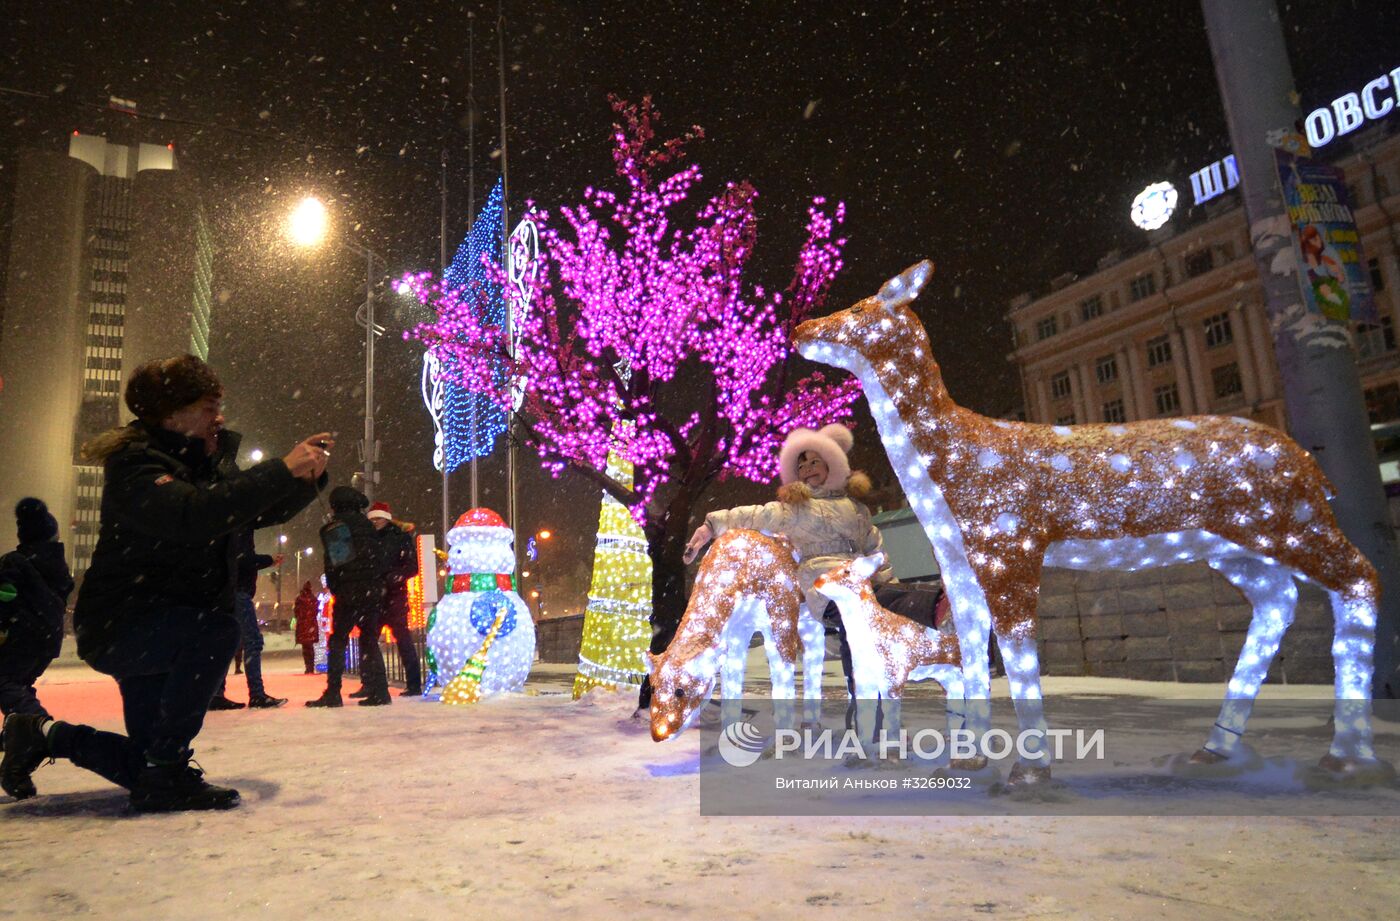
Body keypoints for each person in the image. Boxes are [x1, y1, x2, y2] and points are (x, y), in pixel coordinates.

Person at [0, 355, 331, 812]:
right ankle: (166, 769)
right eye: (208, 406)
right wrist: (281, 469)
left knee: (150, 765)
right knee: (218, 631)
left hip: (163, 625)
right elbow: (192, 514)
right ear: (171, 414)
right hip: (124, 625)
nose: (219, 417)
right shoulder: (136, 464)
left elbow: (252, 509)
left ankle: (40, 734)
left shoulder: (203, 464)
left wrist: (302, 477)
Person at [682, 424, 943, 697]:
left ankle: (940, 611)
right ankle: (864, 700)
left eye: (815, 461)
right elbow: (753, 514)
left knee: (894, 604)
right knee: (852, 624)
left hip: (864, 585)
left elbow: (876, 554)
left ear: (832, 463)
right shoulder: (794, 510)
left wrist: (889, 586)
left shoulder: (857, 510)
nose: (808, 468)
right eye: (802, 464)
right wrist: (710, 526)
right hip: (826, 588)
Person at [0, 499, 75, 798]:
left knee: (5, 681)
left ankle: (33, 725)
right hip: (46, 641)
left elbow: (5, 594)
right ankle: (19, 730)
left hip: (20, 636)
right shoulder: (56, 564)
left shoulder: (14, 563)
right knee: (19, 682)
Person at [307, 486, 391, 708]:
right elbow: (380, 559)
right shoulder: (368, 526)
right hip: (371, 591)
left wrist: (338, 588)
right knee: (369, 640)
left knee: (338, 640)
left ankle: (333, 691)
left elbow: (334, 563)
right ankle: (381, 691)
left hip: (348, 591)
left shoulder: (336, 528)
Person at [209, 529, 286, 710]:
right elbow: (242, 560)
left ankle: (216, 694)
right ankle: (256, 694)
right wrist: (269, 559)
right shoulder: (241, 527)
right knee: (253, 641)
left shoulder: (229, 526)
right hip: (238, 592)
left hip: (226, 591)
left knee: (226, 644)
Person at [362, 501, 422, 697]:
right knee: (368, 640)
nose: (375, 522)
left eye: (378, 518)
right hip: (374, 596)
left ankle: (413, 684)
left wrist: (396, 575)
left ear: (386, 519)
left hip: (395, 596)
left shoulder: (400, 538)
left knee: (403, 639)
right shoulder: (368, 538)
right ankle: (370, 683)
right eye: (372, 519)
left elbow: (412, 566)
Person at [293, 581, 319, 674]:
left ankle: (308, 667)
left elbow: (296, 612)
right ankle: (311, 667)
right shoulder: (313, 599)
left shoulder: (299, 599)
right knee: (310, 646)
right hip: (311, 625)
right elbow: (316, 611)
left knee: (305, 647)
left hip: (303, 626)